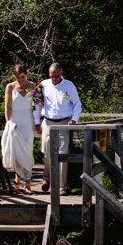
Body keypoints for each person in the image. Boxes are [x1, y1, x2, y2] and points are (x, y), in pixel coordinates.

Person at [39, 62, 82, 193]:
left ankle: (62, 186)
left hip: (64, 123)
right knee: (46, 152)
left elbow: (77, 104)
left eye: (56, 76)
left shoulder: (69, 85)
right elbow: (37, 105)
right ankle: (46, 178)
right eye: (51, 76)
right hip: (47, 122)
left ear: (61, 74)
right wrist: (36, 122)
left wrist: (74, 119)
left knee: (63, 154)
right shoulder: (43, 85)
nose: (54, 79)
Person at [0, 64, 42, 194]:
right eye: (18, 77)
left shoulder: (32, 86)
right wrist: (9, 122)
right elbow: (7, 107)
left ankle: (28, 184)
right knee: (17, 152)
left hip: (28, 121)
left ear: (26, 75)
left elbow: (37, 104)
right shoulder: (10, 87)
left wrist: (37, 122)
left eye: (22, 77)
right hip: (15, 121)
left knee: (27, 151)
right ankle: (17, 182)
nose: (20, 80)